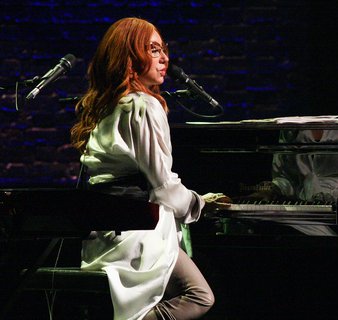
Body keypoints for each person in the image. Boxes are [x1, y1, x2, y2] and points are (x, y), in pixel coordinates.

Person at [70, 17, 229, 320]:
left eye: (163, 49)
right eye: (154, 50)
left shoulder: (109, 106)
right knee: (200, 296)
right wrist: (198, 204)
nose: (165, 58)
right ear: (131, 58)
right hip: (137, 233)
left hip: (106, 235)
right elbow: (162, 185)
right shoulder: (143, 106)